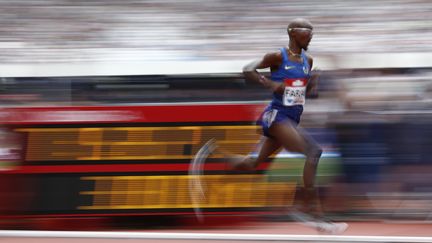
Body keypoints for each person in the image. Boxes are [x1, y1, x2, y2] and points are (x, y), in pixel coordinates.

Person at [232, 18, 347, 233]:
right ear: (293, 33)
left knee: (253, 163)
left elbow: (307, 94)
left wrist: (313, 83)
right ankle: (313, 212)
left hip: (292, 118)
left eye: (312, 32)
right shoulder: (277, 56)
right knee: (314, 152)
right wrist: (268, 83)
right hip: (276, 116)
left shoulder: (308, 60)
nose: (311, 35)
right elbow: (248, 69)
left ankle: (217, 157)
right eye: (307, 31)